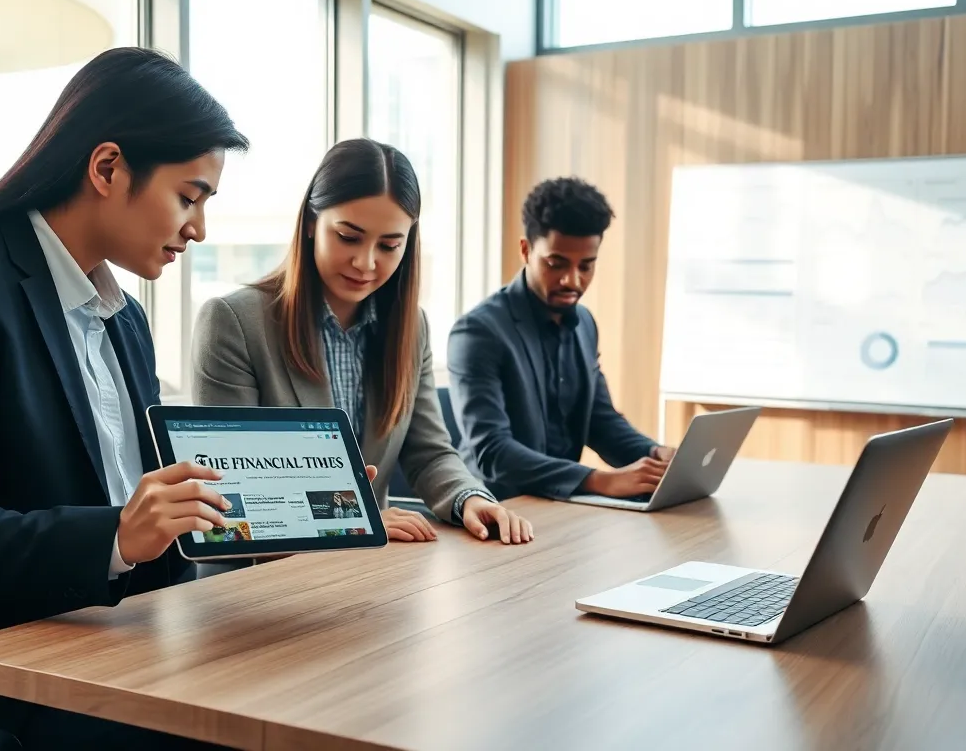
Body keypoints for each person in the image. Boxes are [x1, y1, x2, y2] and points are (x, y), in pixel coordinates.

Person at [0, 47, 254, 749]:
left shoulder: (124, 316)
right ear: (107, 168)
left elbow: (144, 516)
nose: (199, 229)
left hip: (104, 645)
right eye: (189, 196)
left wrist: (256, 532)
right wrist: (120, 534)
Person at [192, 138, 533, 545]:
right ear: (310, 224)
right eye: (349, 237)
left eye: (390, 245)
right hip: (257, 577)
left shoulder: (411, 328)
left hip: (370, 575)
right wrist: (358, 520)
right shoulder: (233, 322)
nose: (366, 263)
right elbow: (236, 488)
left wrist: (469, 498)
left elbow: (429, 453)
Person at [446, 176, 676, 502]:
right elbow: (491, 452)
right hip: (494, 511)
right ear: (526, 250)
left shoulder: (584, 324)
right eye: (556, 264)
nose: (573, 280)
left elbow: (600, 420)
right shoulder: (478, 332)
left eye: (587, 265)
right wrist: (599, 481)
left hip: (560, 509)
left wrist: (655, 455)